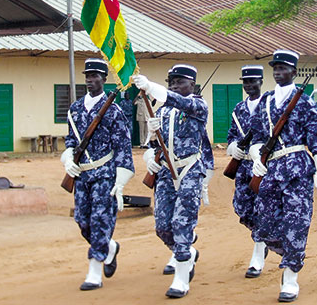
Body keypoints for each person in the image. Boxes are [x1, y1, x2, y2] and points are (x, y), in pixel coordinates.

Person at [248, 49, 317, 302]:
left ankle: (290, 277)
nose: (278, 72)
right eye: (275, 68)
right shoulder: (265, 101)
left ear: (294, 72)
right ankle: (286, 254)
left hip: (297, 170)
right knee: (264, 225)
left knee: (297, 225)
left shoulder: (305, 102)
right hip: (271, 170)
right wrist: (256, 157)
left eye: (283, 68)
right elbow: (257, 135)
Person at [133, 64, 207, 298]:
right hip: (165, 172)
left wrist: (151, 87)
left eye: (180, 82)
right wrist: (151, 151)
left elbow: (179, 102)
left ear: (192, 85)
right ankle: (185, 251)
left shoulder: (198, 106)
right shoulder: (162, 111)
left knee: (181, 224)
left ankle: (182, 277)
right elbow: (153, 145)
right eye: (171, 82)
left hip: (189, 171)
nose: (174, 85)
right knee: (162, 226)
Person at [60, 58, 134, 291]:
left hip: (105, 173)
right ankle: (109, 247)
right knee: (83, 222)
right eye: (87, 76)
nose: (90, 81)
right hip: (82, 175)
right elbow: (71, 140)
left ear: (104, 79)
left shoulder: (113, 110)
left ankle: (94, 271)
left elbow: (123, 145)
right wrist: (68, 159)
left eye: (95, 76)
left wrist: (120, 181)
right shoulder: (75, 108)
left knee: (100, 220)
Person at [226, 65, 268, 278]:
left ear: (261, 82)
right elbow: (231, 135)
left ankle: (258, 251)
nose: (249, 86)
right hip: (243, 167)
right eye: (245, 82)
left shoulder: (270, 105)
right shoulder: (238, 109)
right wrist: (234, 147)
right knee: (242, 208)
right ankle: (261, 237)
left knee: (262, 209)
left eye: (253, 82)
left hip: (263, 167)